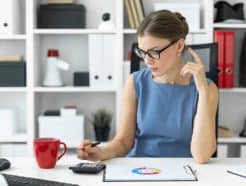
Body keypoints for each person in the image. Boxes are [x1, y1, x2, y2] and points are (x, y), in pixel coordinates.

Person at [77, 10, 219, 164]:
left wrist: (202, 91)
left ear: (179, 45)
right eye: (142, 52)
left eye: (154, 52)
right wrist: (101, 152)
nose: (147, 60)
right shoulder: (135, 82)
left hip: (183, 173)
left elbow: (201, 156)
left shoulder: (207, 89)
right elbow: (124, 142)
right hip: (139, 170)